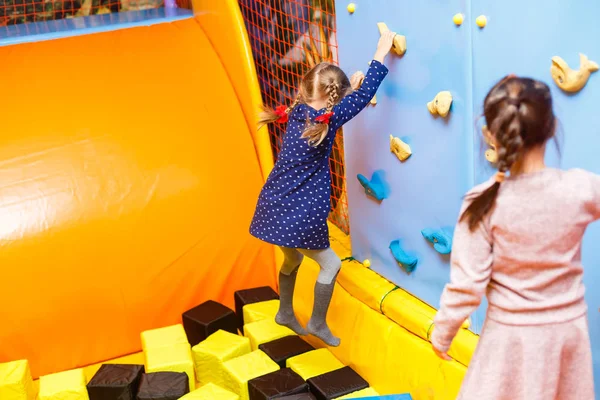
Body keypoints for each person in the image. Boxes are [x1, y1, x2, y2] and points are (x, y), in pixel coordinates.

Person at [431, 75, 595, 399]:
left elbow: (467, 285)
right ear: (551, 128)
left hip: (508, 341)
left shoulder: (483, 202)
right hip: (566, 335)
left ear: (489, 135)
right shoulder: (580, 188)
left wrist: (443, 332)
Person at [250, 31, 397, 346]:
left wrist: (349, 90)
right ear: (336, 98)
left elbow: (342, 102)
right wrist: (381, 51)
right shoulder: (330, 117)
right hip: (299, 213)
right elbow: (364, 94)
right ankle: (317, 322)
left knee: (292, 260)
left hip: (272, 205)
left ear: (305, 88)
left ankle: (285, 313)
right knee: (330, 264)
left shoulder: (298, 110)